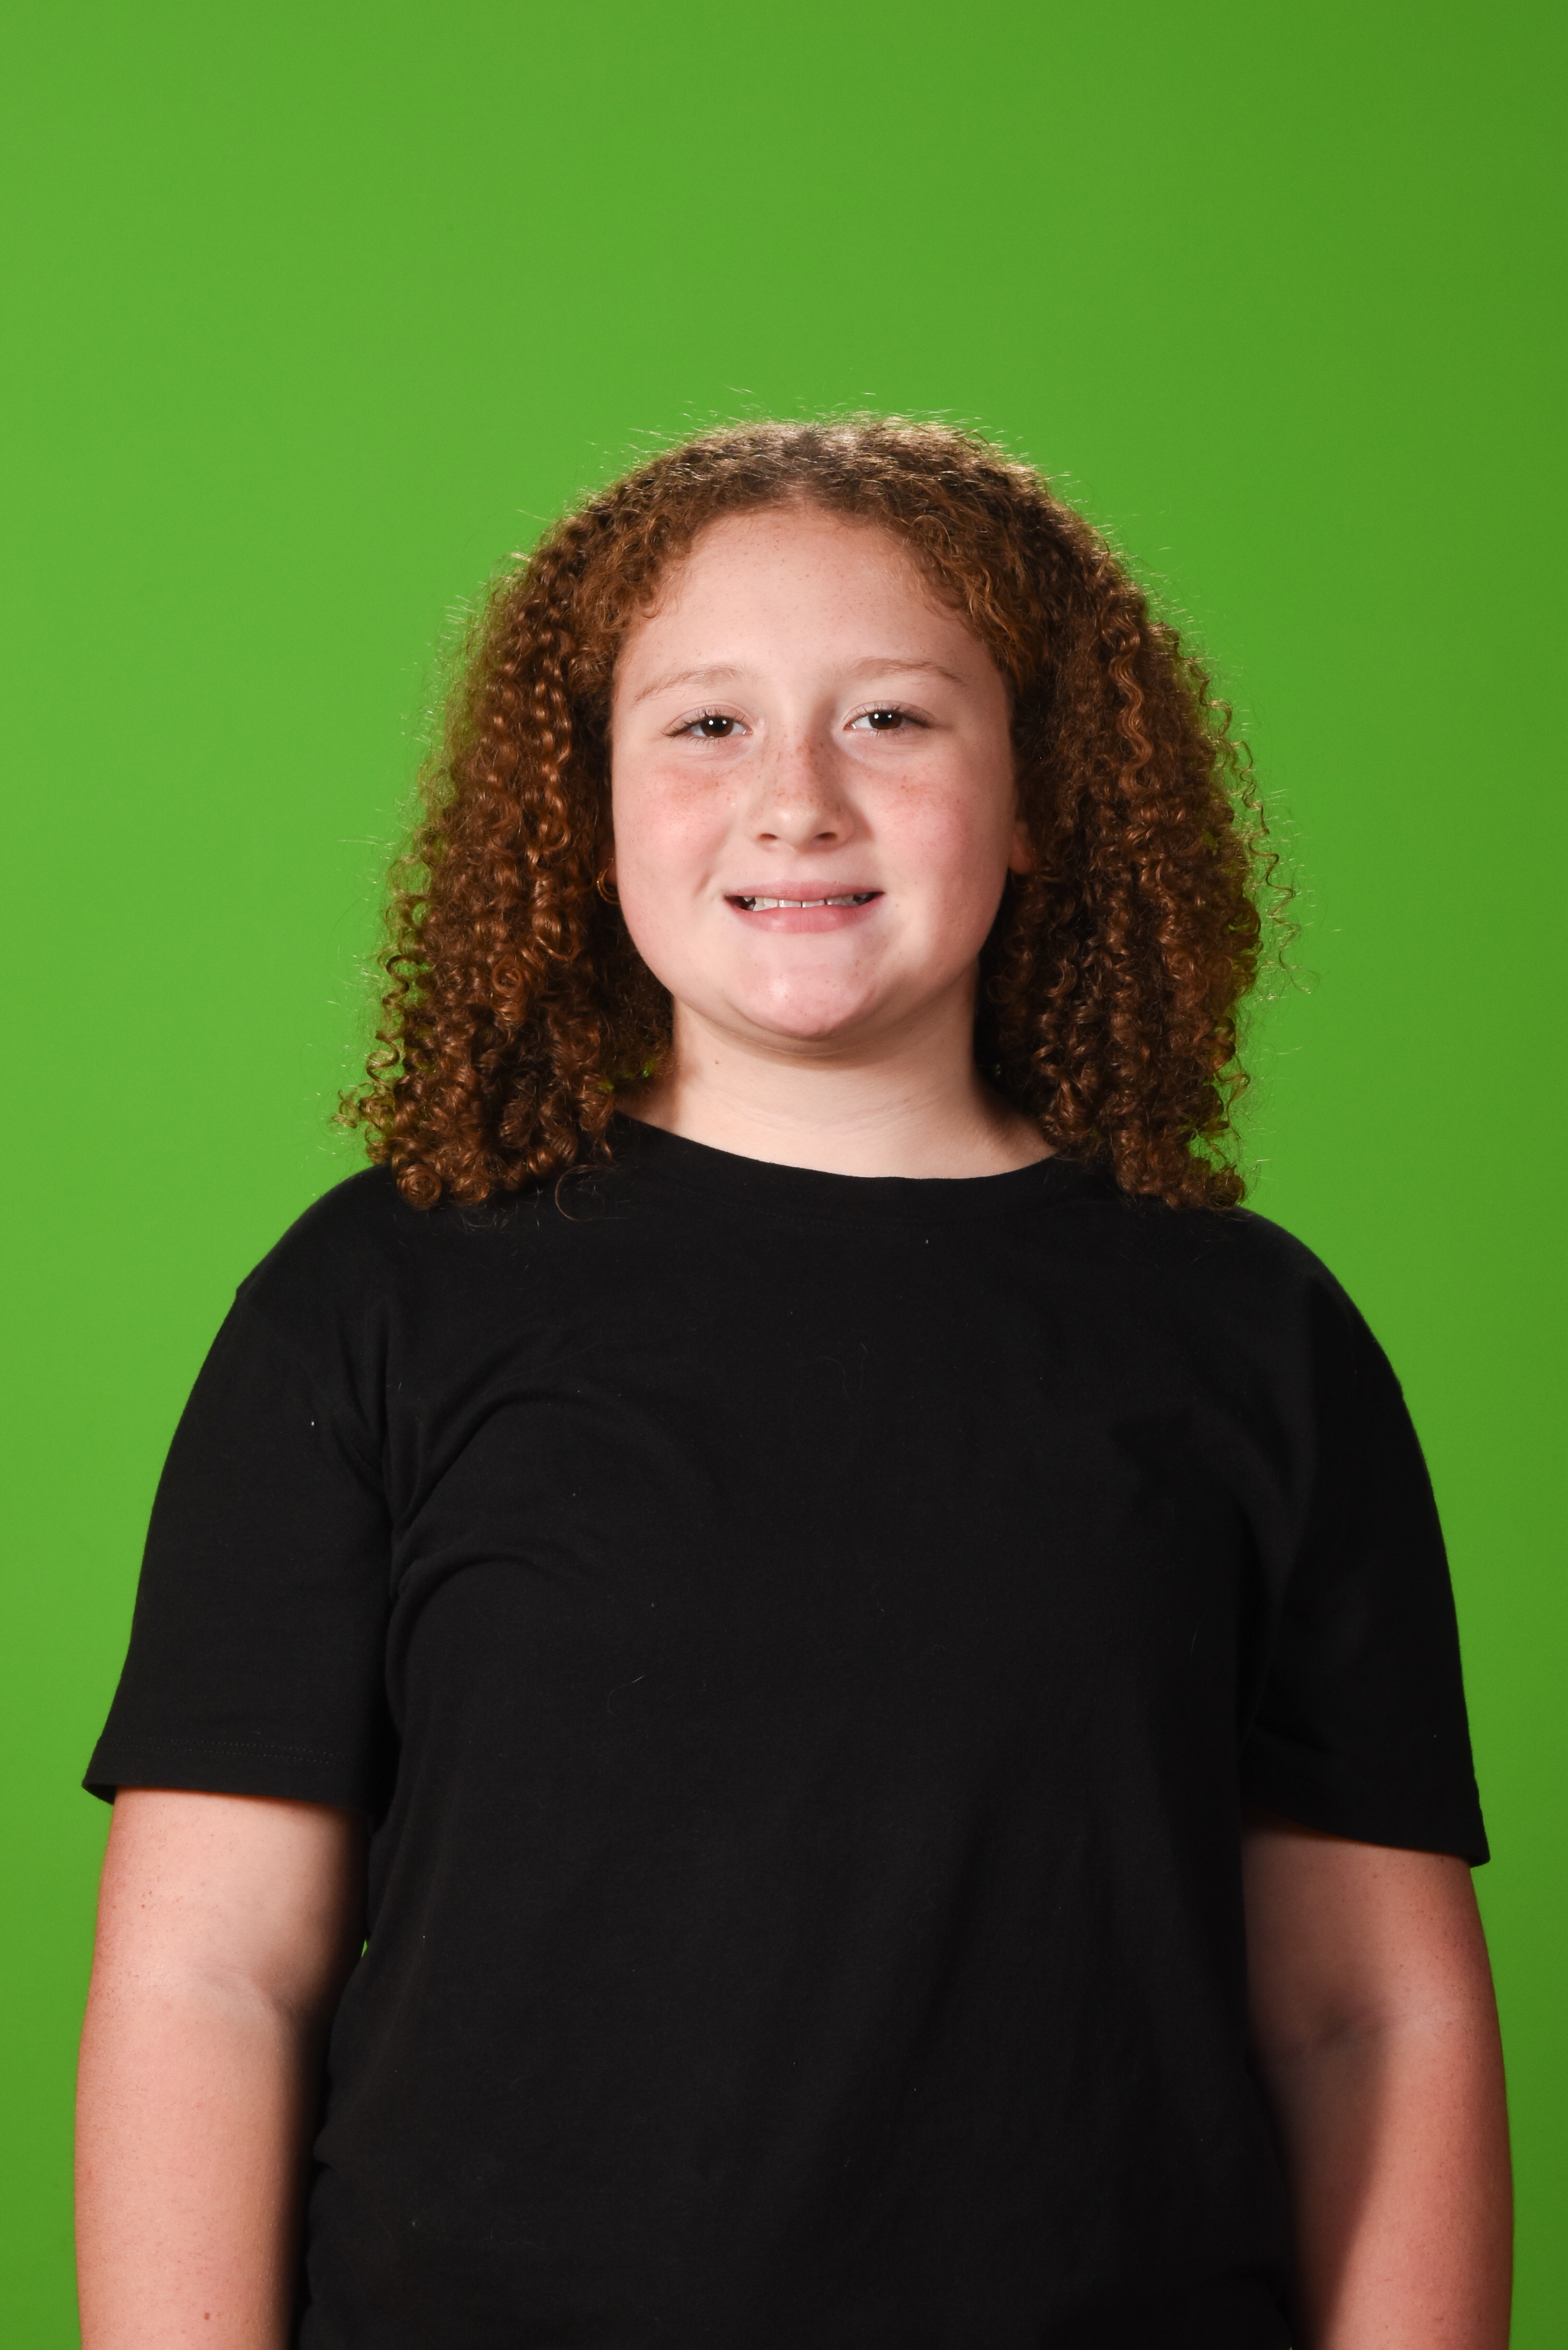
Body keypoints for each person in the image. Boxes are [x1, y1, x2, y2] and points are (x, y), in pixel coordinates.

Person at [74, 419, 1511, 2350]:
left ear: (1041, 798)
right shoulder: (376, 1299)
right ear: (584, 815)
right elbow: (210, 1982)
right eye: (706, 726)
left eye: (893, 720)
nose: (797, 804)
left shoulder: (1254, 1337)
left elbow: (1373, 2017)